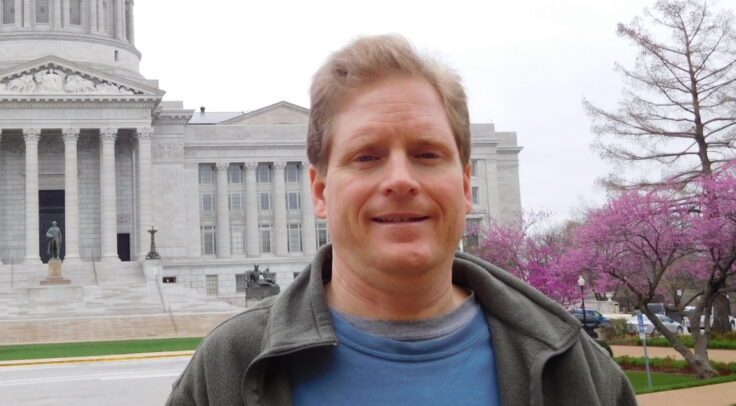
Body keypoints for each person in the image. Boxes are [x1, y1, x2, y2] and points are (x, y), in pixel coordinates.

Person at [167, 35, 635, 405]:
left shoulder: (576, 370)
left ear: (466, 185)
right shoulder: (228, 370)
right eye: (367, 156)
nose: (400, 180)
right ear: (320, 191)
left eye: (427, 153)